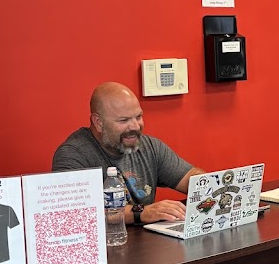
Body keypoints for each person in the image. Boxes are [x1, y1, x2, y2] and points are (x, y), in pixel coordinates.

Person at [52, 82, 204, 225]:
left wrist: (208, 184)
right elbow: (75, 214)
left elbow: (190, 178)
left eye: (138, 117)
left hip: (148, 241)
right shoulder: (73, 154)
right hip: (109, 241)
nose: (135, 126)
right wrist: (142, 212)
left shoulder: (150, 147)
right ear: (98, 122)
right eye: (124, 120)